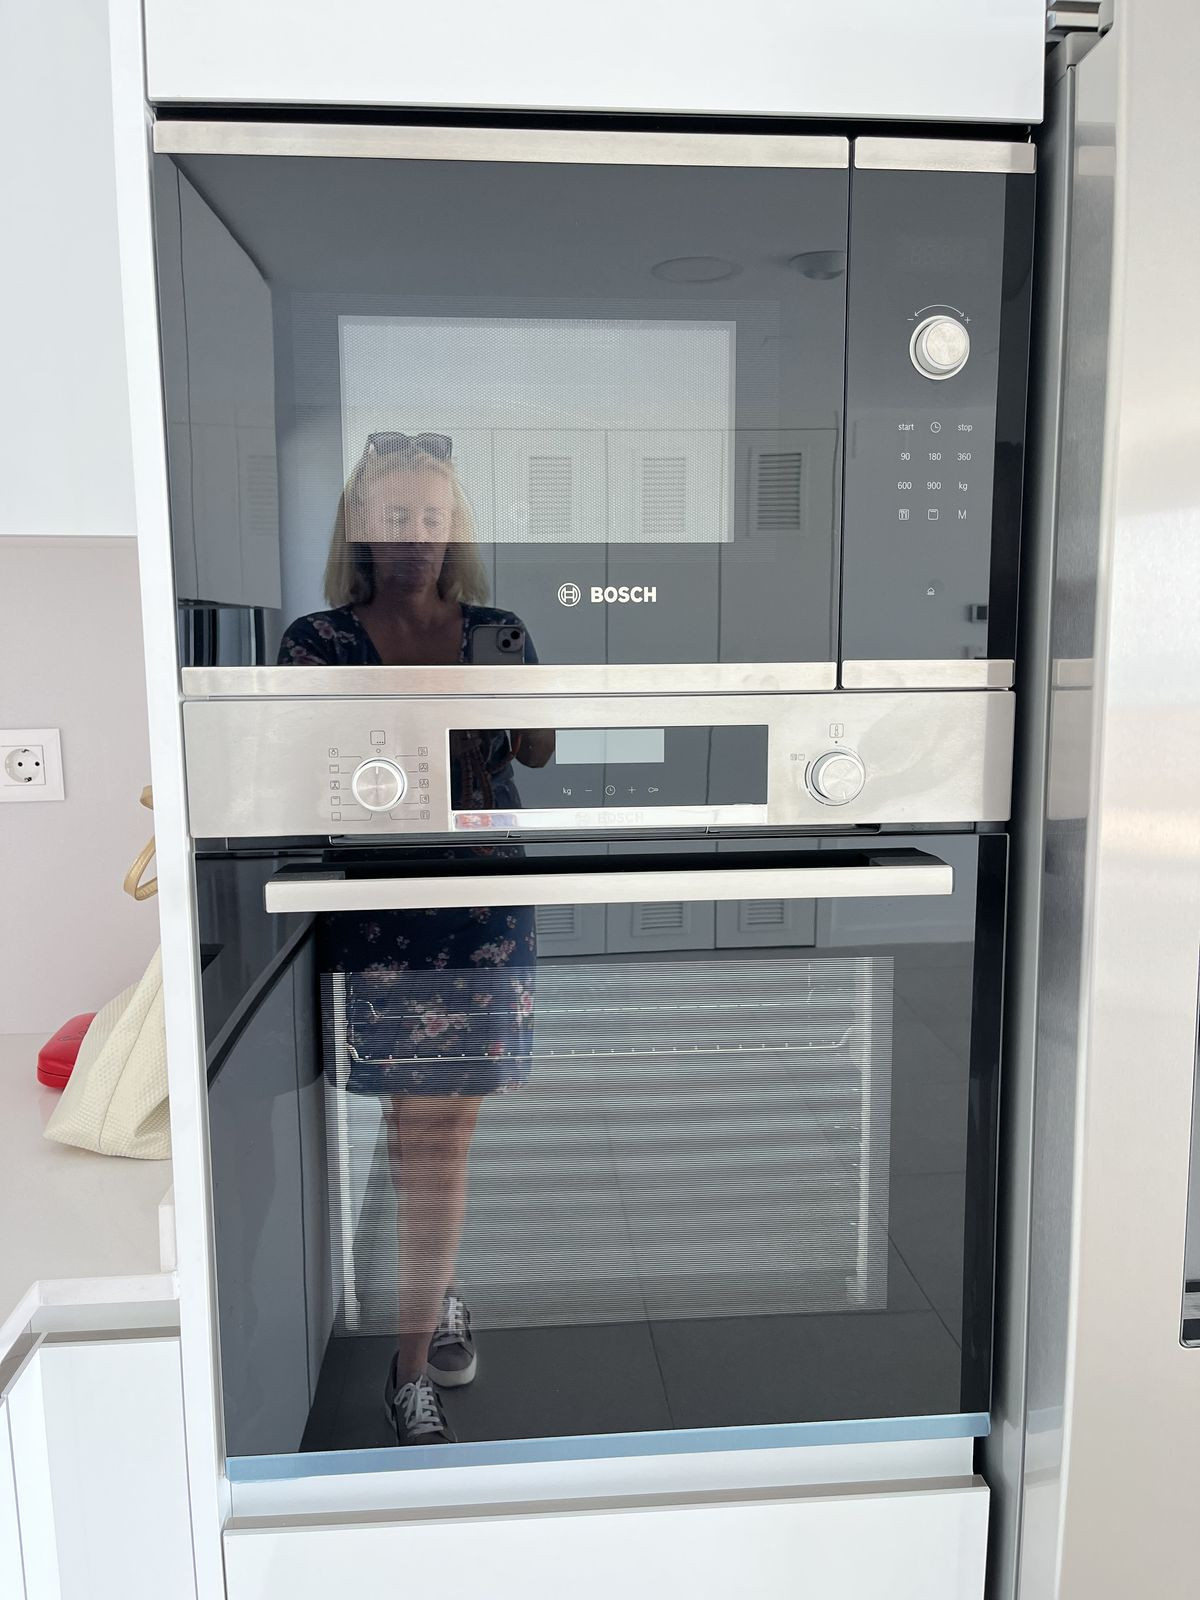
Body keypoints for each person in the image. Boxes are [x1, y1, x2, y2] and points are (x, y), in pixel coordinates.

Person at [278, 432, 551, 1446]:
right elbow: (304, 768)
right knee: (414, 1132)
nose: (415, 535)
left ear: (454, 528)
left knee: (441, 1136)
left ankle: (411, 1356)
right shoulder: (319, 641)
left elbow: (538, 752)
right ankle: (424, 1321)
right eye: (395, 516)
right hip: (386, 909)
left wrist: (513, 690)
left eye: (432, 516)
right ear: (360, 526)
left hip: (484, 914)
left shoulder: (497, 630)